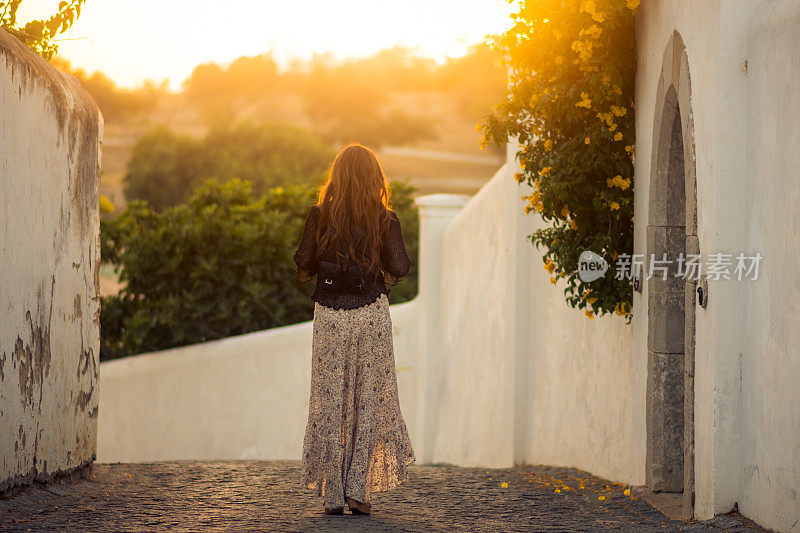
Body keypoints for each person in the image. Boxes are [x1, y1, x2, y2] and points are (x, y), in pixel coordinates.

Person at [293, 143, 416, 516]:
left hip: (329, 315)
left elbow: (304, 264)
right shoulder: (385, 218)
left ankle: (332, 494)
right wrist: (376, 272)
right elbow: (400, 265)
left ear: (337, 177)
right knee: (368, 402)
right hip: (371, 315)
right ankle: (358, 491)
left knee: (330, 403)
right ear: (374, 178)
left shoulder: (318, 215)